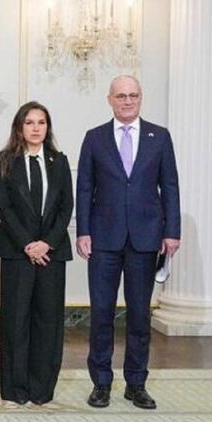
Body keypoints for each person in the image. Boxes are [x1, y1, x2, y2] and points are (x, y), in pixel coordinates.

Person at [76, 75, 181, 409]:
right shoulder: (94, 138)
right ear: (110, 99)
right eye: (121, 96)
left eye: (133, 95)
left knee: (139, 315)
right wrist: (82, 231)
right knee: (101, 313)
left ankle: (136, 384)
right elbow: (84, 188)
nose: (127, 101)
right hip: (103, 239)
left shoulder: (159, 137)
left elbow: (170, 186)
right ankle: (101, 383)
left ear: (140, 98)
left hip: (145, 238)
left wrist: (172, 231)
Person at [0, 101, 73, 405]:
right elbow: (4, 206)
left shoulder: (59, 161)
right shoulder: (5, 160)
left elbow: (66, 207)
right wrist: (28, 244)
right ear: (19, 127)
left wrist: (46, 243)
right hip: (17, 252)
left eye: (41, 122)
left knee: (48, 322)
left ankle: (42, 389)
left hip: (52, 253)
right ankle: (16, 389)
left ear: (47, 127)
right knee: (15, 321)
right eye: (29, 122)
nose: (36, 128)